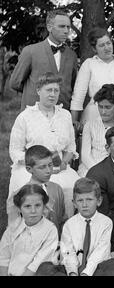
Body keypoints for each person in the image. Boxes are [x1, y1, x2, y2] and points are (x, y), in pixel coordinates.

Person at [8, 72, 80, 219]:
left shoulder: (65, 115)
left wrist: (64, 162)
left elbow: (71, 147)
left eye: (56, 90)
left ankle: (64, 228)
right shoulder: (25, 117)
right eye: (48, 90)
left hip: (58, 168)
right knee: (28, 188)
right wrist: (36, 164)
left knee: (72, 187)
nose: (52, 94)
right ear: (38, 91)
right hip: (31, 168)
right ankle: (27, 226)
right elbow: (15, 150)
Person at [36, 178, 114, 276]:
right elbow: (68, 252)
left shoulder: (106, 222)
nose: (85, 204)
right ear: (74, 203)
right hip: (73, 267)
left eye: (89, 199)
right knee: (45, 268)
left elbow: (100, 252)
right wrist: (73, 272)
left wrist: (86, 273)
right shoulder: (69, 224)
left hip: (96, 267)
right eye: (80, 200)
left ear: (98, 201)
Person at [9, 9, 77, 111]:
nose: (66, 31)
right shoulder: (30, 51)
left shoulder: (72, 55)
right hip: (34, 114)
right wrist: (33, 92)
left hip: (62, 115)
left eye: (68, 27)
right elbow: (15, 83)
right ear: (49, 27)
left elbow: (72, 85)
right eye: (62, 26)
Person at [70, 27, 114, 127]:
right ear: (94, 48)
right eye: (101, 45)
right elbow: (78, 96)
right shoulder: (88, 64)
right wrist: (73, 123)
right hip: (93, 118)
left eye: (108, 43)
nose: (107, 48)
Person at [0, 184, 58, 276]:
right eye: (27, 206)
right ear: (19, 208)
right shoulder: (12, 228)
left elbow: (39, 262)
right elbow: (3, 257)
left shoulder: (50, 230)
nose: (33, 211)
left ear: (44, 206)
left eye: (38, 205)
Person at [7, 145, 66, 234]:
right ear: (29, 169)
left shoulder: (57, 189)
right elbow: (14, 229)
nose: (48, 171)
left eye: (50, 165)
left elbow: (62, 219)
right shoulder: (17, 195)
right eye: (42, 167)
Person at [78, 84, 114, 177]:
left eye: (108, 107)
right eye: (100, 106)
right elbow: (85, 156)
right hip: (91, 168)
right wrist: (99, 172)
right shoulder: (90, 125)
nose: (103, 111)